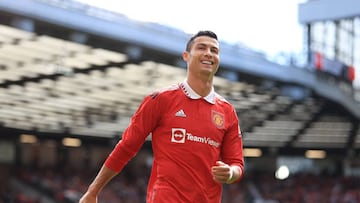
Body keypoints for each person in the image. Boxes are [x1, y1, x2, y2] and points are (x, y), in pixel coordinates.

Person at [79, 30, 244, 203]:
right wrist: (93, 191)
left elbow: (236, 163)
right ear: (186, 56)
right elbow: (127, 147)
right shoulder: (160, 99)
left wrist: (231, 173)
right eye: (202, 48)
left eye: (214, 50)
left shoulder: (227, 111)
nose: (208, 53)